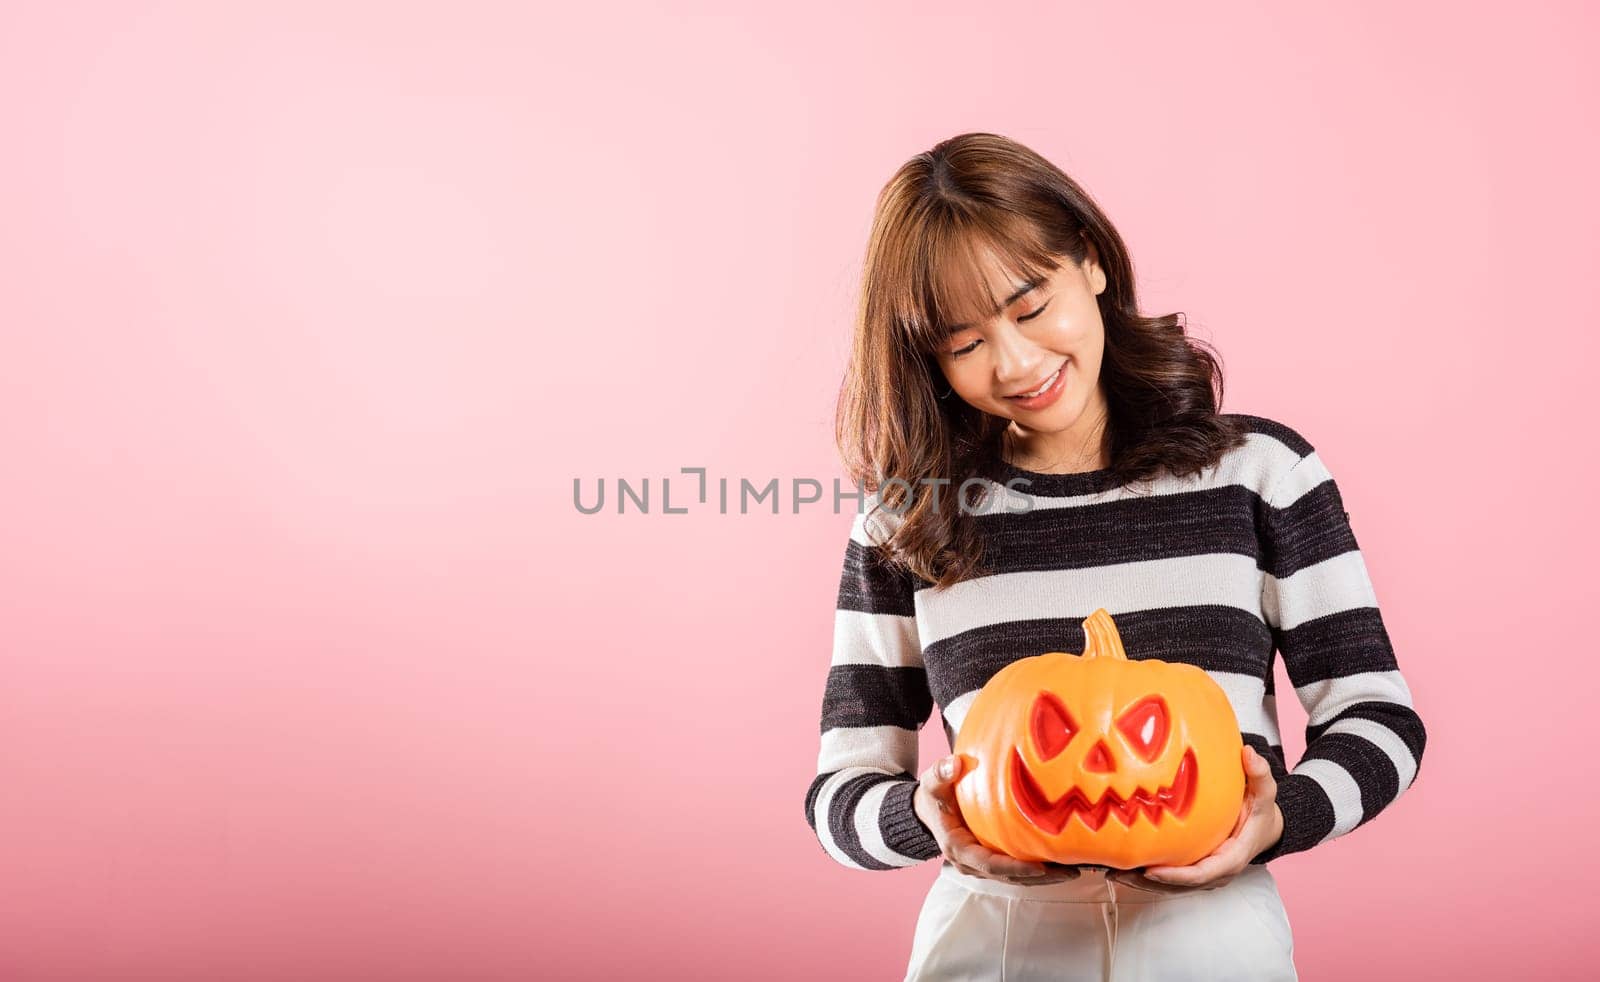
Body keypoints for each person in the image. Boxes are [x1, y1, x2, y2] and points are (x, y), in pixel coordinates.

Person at [802, 133, 1427, 982]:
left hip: (1216, 941)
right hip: (995, 943)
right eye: (964, 343)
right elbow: (841, 792)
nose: (1017, 362)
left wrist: (1275, 821)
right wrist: (932, 821)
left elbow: (1379, 720)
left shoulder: (1261, 475)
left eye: (1030, 307)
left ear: (1090, 262)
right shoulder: (909, 519)